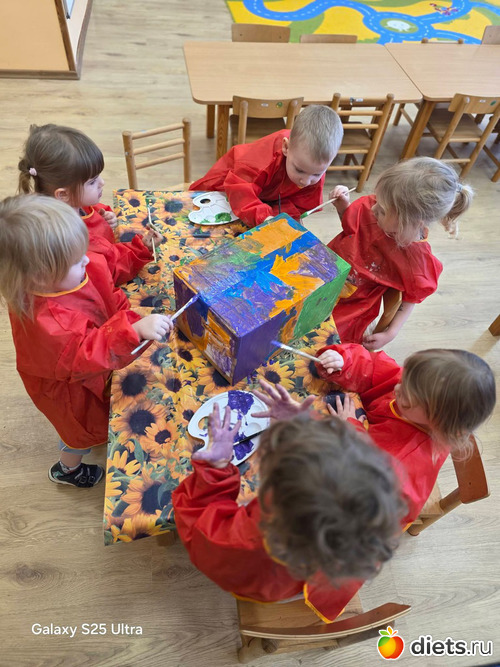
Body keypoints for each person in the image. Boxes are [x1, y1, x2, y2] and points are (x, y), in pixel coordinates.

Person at [172, 382, 406, 623]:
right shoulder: (368, 521)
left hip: (256, 582)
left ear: (273, 490)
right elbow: (341, 464)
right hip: (306, 579)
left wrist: (215, 469)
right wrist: (301, 427)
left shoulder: (247, 539)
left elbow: (194, 522)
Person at [0, 195, 173, 487]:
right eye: (76, 259)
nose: (87, 260)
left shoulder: (67, 274)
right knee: (77, 433)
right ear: (40, 276)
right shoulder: (50, 324)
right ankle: (67, 470)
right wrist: (133, 331)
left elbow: (106, 293)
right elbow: (87, 354)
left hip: (88, 373)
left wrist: (131, 320)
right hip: (70, 391)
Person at [315, 343, 496, 521]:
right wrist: (343, 361)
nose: (397, 388)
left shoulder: (405, 460)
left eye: (406, 397)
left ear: (438, 422)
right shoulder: (419, 388)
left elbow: (360, 481)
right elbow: (375, 367)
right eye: (405, 379)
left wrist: (351, 431)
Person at [328, 158, 474, 349]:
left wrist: (391, 333)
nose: (373, 208)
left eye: (382, 210)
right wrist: (343, 207)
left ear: (409, 222)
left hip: (350, 303)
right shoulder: (377, 207)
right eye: (378, 200)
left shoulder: (416, 260)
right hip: (324, 269)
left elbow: (410, 297)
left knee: (319, 338)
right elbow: (351, 229)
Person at [18, 123, 161, 285]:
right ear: (63, 194)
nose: (102, 182)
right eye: (92, 181)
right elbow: (113, 269)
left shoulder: (65, 203)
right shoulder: (74, 242)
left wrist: (104, 217)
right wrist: (142, 248)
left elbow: (89, 210)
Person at [189, 105, 343, 228]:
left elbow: (301, 204)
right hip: (227, 188)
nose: (306, 181)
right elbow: (240, 192)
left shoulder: (311, 164)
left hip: (265, 196)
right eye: (299, 170)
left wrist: (275, 215)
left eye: (316, 174)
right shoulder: (258, 163)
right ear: (286, 147)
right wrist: (265, 216)